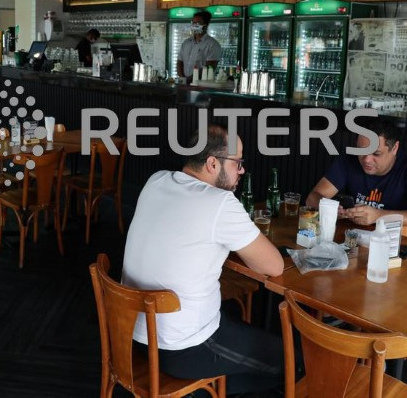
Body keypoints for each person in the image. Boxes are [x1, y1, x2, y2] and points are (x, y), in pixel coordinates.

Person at [122, 124, 285, 395]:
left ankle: (203, 390)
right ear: (212, 163)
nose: (242, 171)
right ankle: (201, 391)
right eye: (238, 163)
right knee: (293, 360)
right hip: (182, 347)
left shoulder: (157, 179)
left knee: (236, 321)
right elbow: (274, 266)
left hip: (133, 333)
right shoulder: (220, 202)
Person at [306, 118, 407, 230]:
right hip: (355, 239)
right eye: (361, 151)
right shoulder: (349, 159)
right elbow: (312, 198)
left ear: (395, 148)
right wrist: (330, 209)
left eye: (376, 153)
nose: (366, 159)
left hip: (399, 243)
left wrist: (379, 216)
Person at [177, 11, 222, 83]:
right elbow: (179, 62)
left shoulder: (212, 45)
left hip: (202, 86)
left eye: (197, 23)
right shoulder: (186, 43)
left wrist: (190, 79)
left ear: (205, 25)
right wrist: (183, 79)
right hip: (184, 84)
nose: (194, 25)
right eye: (193, 23)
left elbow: (209, 68)